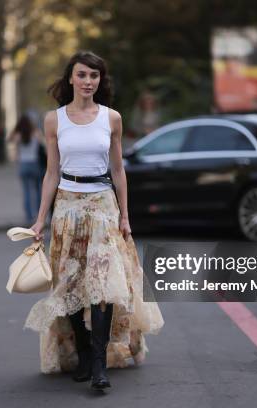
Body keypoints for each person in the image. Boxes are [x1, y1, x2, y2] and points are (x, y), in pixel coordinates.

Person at [24, 51, 164, 391]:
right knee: (70, 284)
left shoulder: (111, 119)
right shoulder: (54, 120)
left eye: (95, 76)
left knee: (101, 284)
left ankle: (100, 364)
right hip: (68, 207)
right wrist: (39, 220)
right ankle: (84, 353)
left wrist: (126, 216)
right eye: (83, 75)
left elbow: (118, 171)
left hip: (103, 206)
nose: (89, 81)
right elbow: (51, 172)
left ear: (100, 81)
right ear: (71, 78)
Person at [7, 114, 45, 224]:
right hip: (35, 163)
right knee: (38, 190)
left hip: (23, 164)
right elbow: (43, 142)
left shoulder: (18, 135)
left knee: (26, 191)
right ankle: (39, 214)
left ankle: (29, 215)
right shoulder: (35, 133)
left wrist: (16, 130)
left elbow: (9, 139)